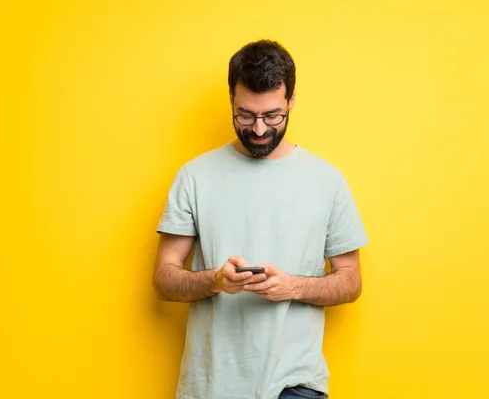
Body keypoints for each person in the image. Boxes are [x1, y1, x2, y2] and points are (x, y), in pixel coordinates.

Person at [152, 39, 368, 399]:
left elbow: (351, 281)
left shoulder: (327, 181)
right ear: (231, 101)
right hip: (211, 386)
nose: (258, 130)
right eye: (246, 115)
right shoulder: (194, 176)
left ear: (291, 101)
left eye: (272, 116)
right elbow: (163, 277)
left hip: (294, 385)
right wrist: (216, 280)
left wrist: (292, 287)